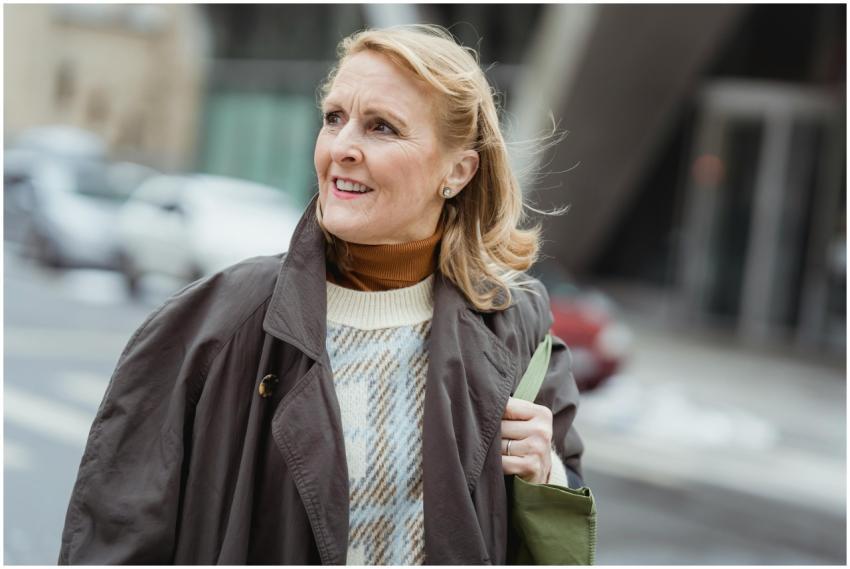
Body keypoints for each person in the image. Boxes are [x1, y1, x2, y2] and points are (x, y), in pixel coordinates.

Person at [58, 24, 584, 565]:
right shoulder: (212, 323)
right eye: (334, 118)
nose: (342, 147)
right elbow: (116, 539)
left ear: (457, 171)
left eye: (381, 127)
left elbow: (555, 536)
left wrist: (549, 473)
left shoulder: (516, 324)